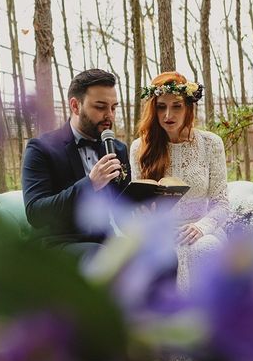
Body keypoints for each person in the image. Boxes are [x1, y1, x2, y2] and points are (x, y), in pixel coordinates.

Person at [129, 71, 228, 293]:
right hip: (159, 233)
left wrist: (201, 228)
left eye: (176, 106)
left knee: (206, 249)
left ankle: (210, 323)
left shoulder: (211, 144)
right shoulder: (139, 147)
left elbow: (221, 204)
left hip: (201, 230)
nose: (168, 115)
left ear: (189, 108)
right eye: (161, 107)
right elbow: (137, 203)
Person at [22, 69, 132, 258]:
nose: (110, 116)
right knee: (100, 256)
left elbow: (121, 207)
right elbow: (36, 213)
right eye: (100, 107)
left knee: (164, 258)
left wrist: (143, 205)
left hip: (103, 241)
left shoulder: (117, 149)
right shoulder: (41, 148)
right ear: (75, 105)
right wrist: (90, 184)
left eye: (113, 107)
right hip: (57, 244)